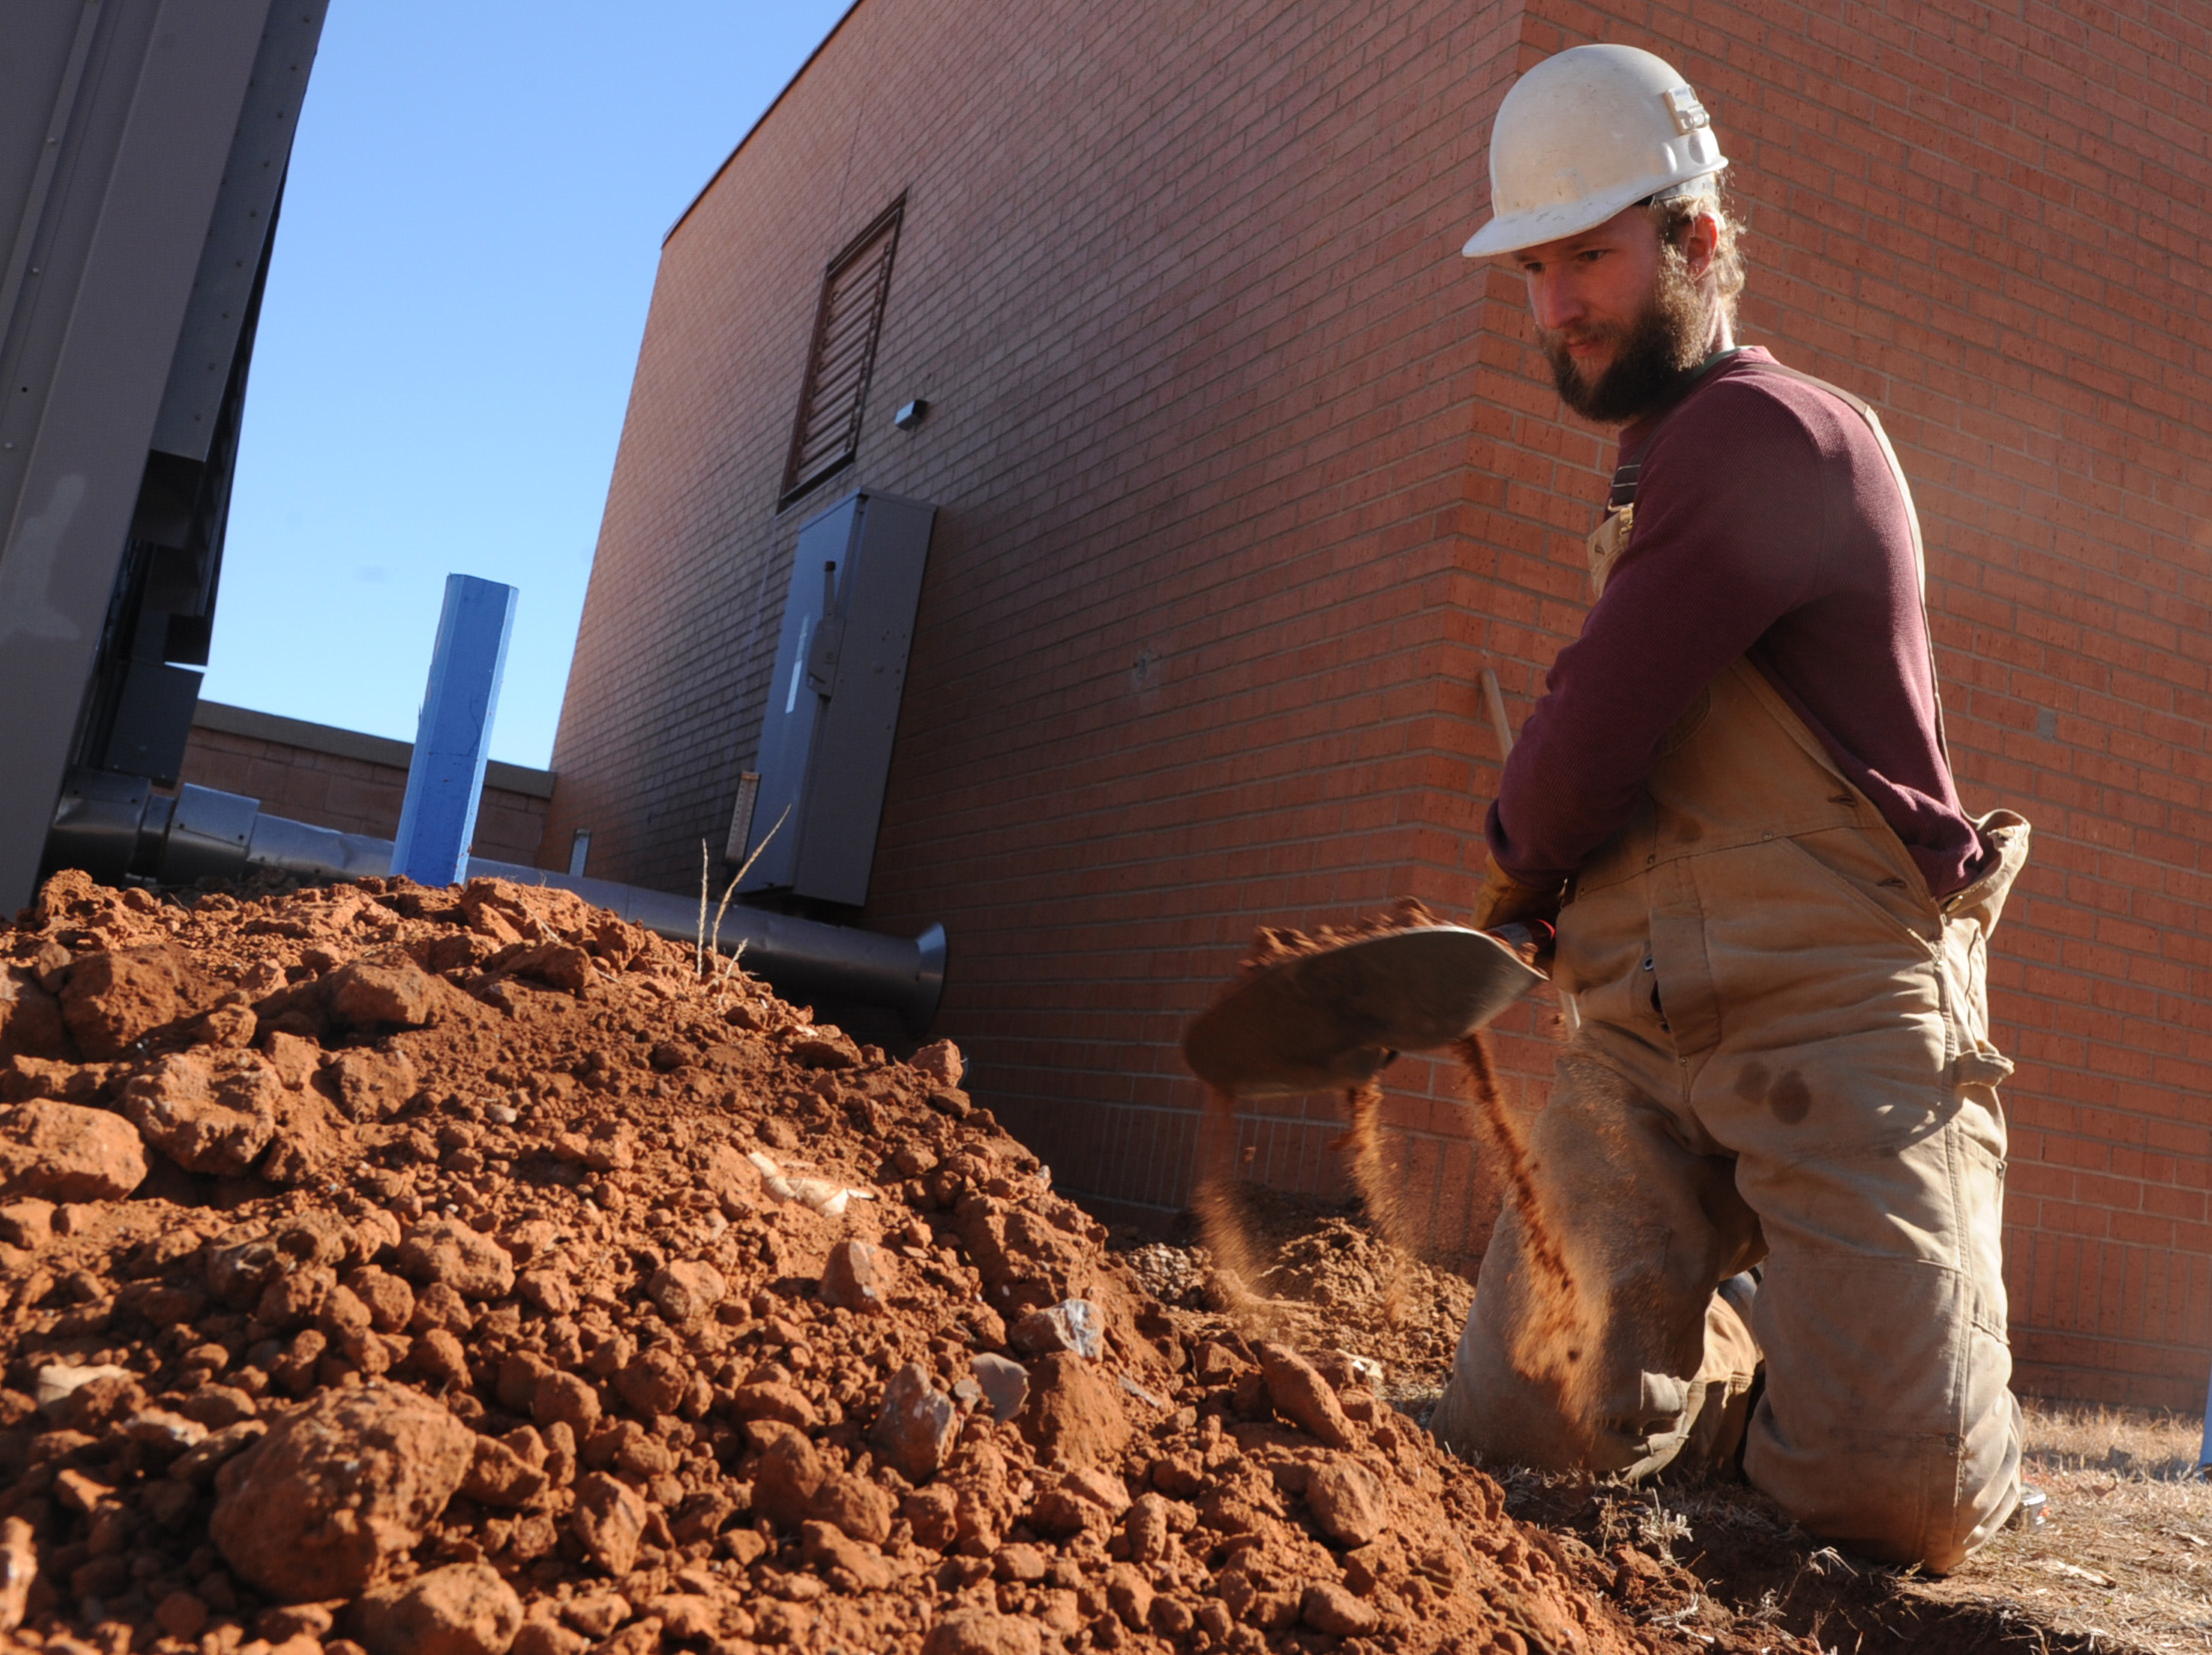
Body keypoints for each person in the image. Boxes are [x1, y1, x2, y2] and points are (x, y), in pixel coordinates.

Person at [1426, 43, 2031, 1574]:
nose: (1554, 304)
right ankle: (1746, 1379)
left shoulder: (1767, 435)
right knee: (1520, 1427)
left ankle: (1836, 1392)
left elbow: (1582, 746)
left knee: (1901, 1497)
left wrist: (1516, 864)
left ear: (1694, 238)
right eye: (1532, 271)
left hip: (1833, 1009)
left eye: (1587, 256)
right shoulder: (1655, 469)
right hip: (1642, 1023)